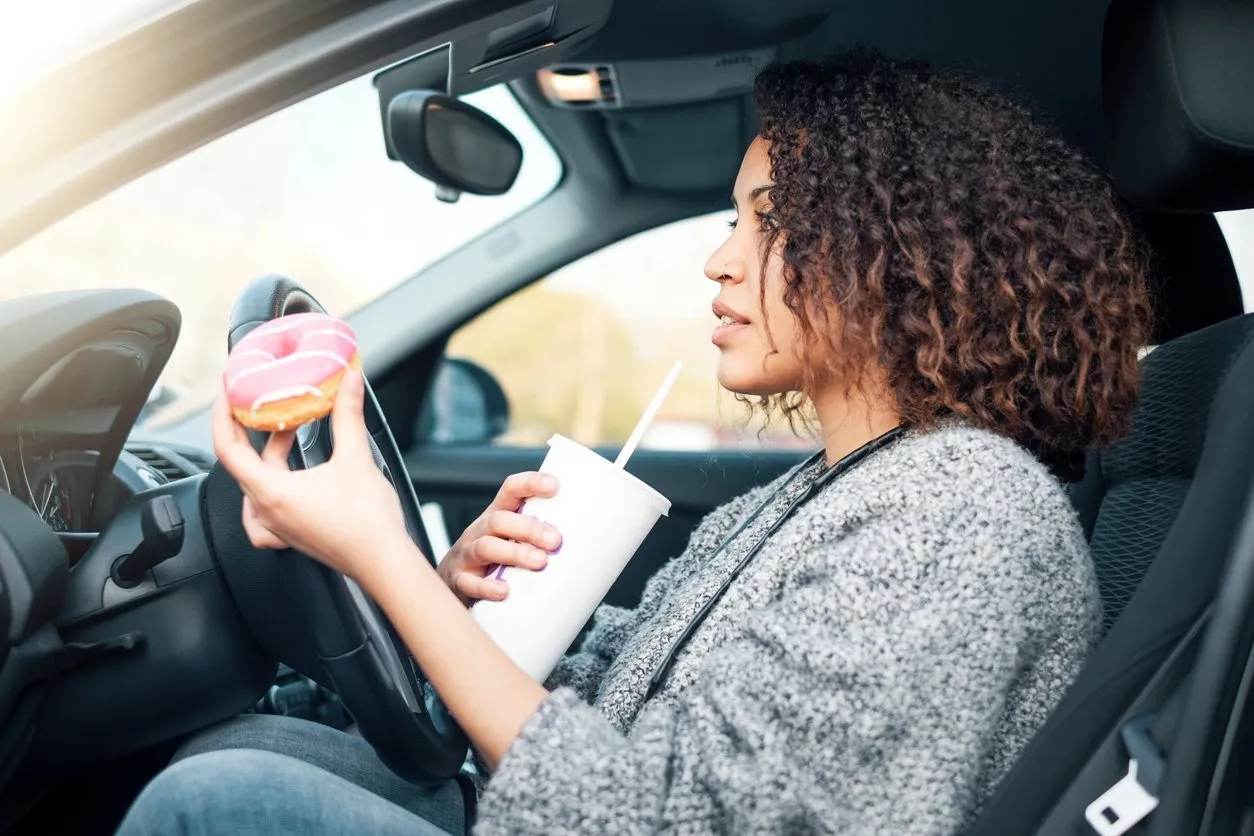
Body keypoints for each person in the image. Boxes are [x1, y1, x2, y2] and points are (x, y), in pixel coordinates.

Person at [116, 49, 1151, 836]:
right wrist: (454, 592)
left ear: (903, 251)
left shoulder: (962, 514)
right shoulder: (823, 492)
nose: (718, 259)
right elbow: (633, 691)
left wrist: (384, 554)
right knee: (256, 744)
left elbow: (667, 816)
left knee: (217, 800)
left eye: (768, 219)